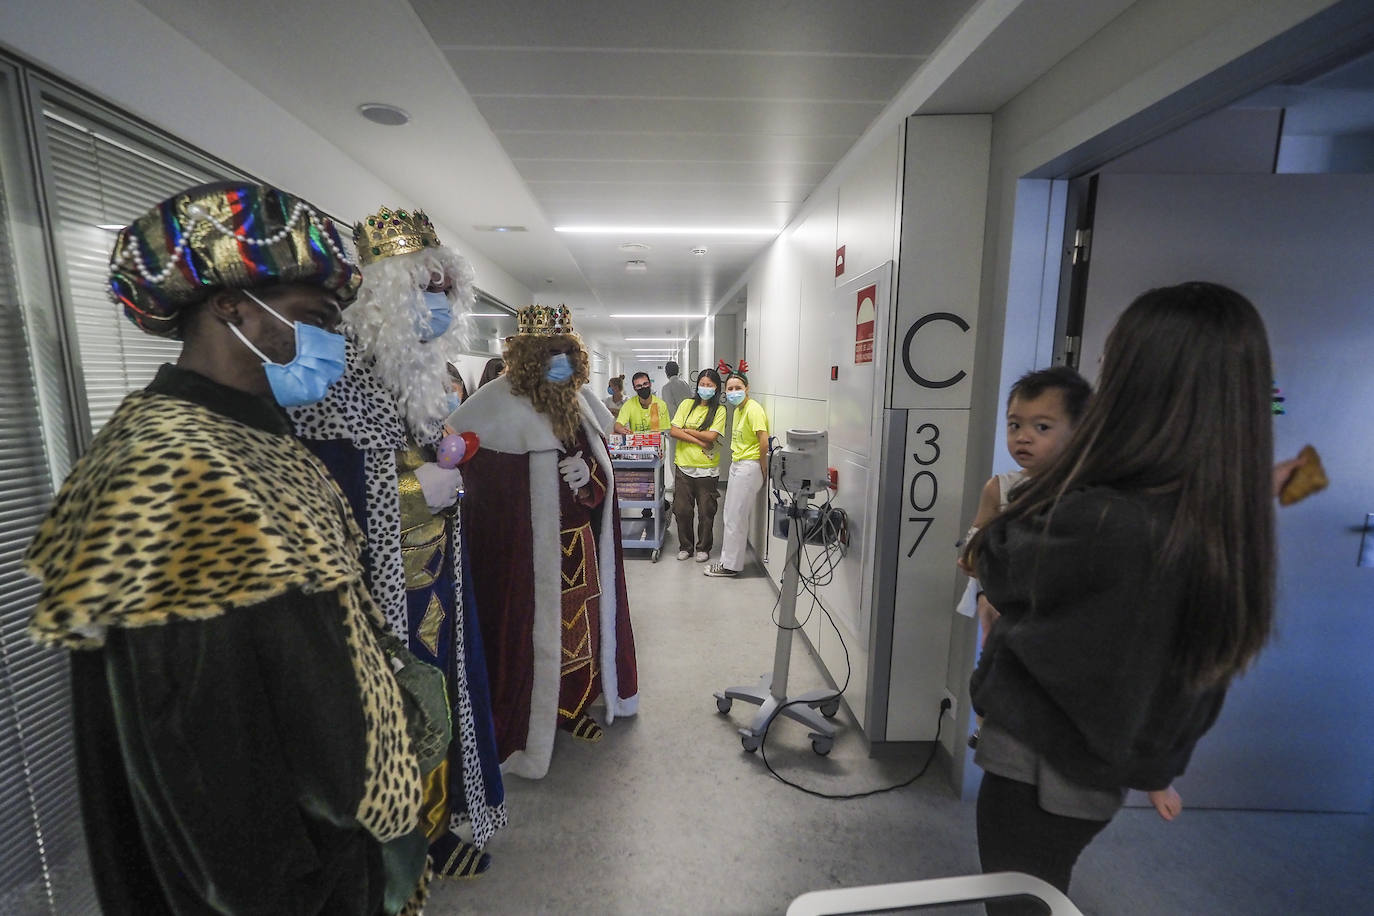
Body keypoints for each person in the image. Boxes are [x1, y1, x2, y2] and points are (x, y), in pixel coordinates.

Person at [24, 182, 429, 914]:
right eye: (312, 319)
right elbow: (202, 749)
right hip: (286, 878)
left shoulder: (253, 434)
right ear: (231, 306)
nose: (328, 345)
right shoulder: (171, 467)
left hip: (336, 842)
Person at [964, 282, 1279, 912]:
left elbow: (992, 561)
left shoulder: (1105, 514)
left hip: (1043, 765)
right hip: (1104, 767)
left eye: (1112, 367)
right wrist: (1159, 768)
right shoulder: (1219, 514)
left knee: (1020, 896)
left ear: (1142, 386)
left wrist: (1015, 500)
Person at [289, 205, 506, 878]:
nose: (439, 305)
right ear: (385, 296)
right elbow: (330, 493)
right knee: (393, 717)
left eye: (447, 291)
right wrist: (417, 489)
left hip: (433, 577)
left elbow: (408, 458)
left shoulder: (422, 376)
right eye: (426, 289)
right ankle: (399, 850)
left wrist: (437, 469)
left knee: (438, 704)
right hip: (376, 599)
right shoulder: (335, 375)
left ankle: (436, 830)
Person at [447, 304, 639, 778]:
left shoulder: (579, 403)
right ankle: (534, 718)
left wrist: (588, 477)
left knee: (580, 629)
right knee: (530, 632)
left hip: (578, 545)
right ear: (531, 356)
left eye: (567, 353)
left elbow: (601, 477)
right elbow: (483, 481)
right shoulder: (493, 404)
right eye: (551, 353)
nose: (561, 362)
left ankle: (572, 709)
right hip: (526, 555)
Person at [706, 364, 769, 577]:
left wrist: (762, 466)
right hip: (739, 465)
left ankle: (730, 566)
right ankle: (729, 561)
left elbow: (764, 440)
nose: (733, 392)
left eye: (737, 388)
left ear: (747, 388)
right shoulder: (740, 409)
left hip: (749, 467)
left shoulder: (754, 409)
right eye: (730, 389)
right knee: (731, 515)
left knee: (735, 517)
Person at [668, 367, 726, 561]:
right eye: (702, 384)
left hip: (707, 469)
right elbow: (674, 431)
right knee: (682, 509)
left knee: (706, 511)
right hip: (684, 466)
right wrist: (701, 441)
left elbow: (712, 436)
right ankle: (686, 546)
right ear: (697, 385)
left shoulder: (719, 410)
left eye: (709, 385)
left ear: (716, 388)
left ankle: (703, 548)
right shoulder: (686, 404)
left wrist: (688, 430)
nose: (705, 388)